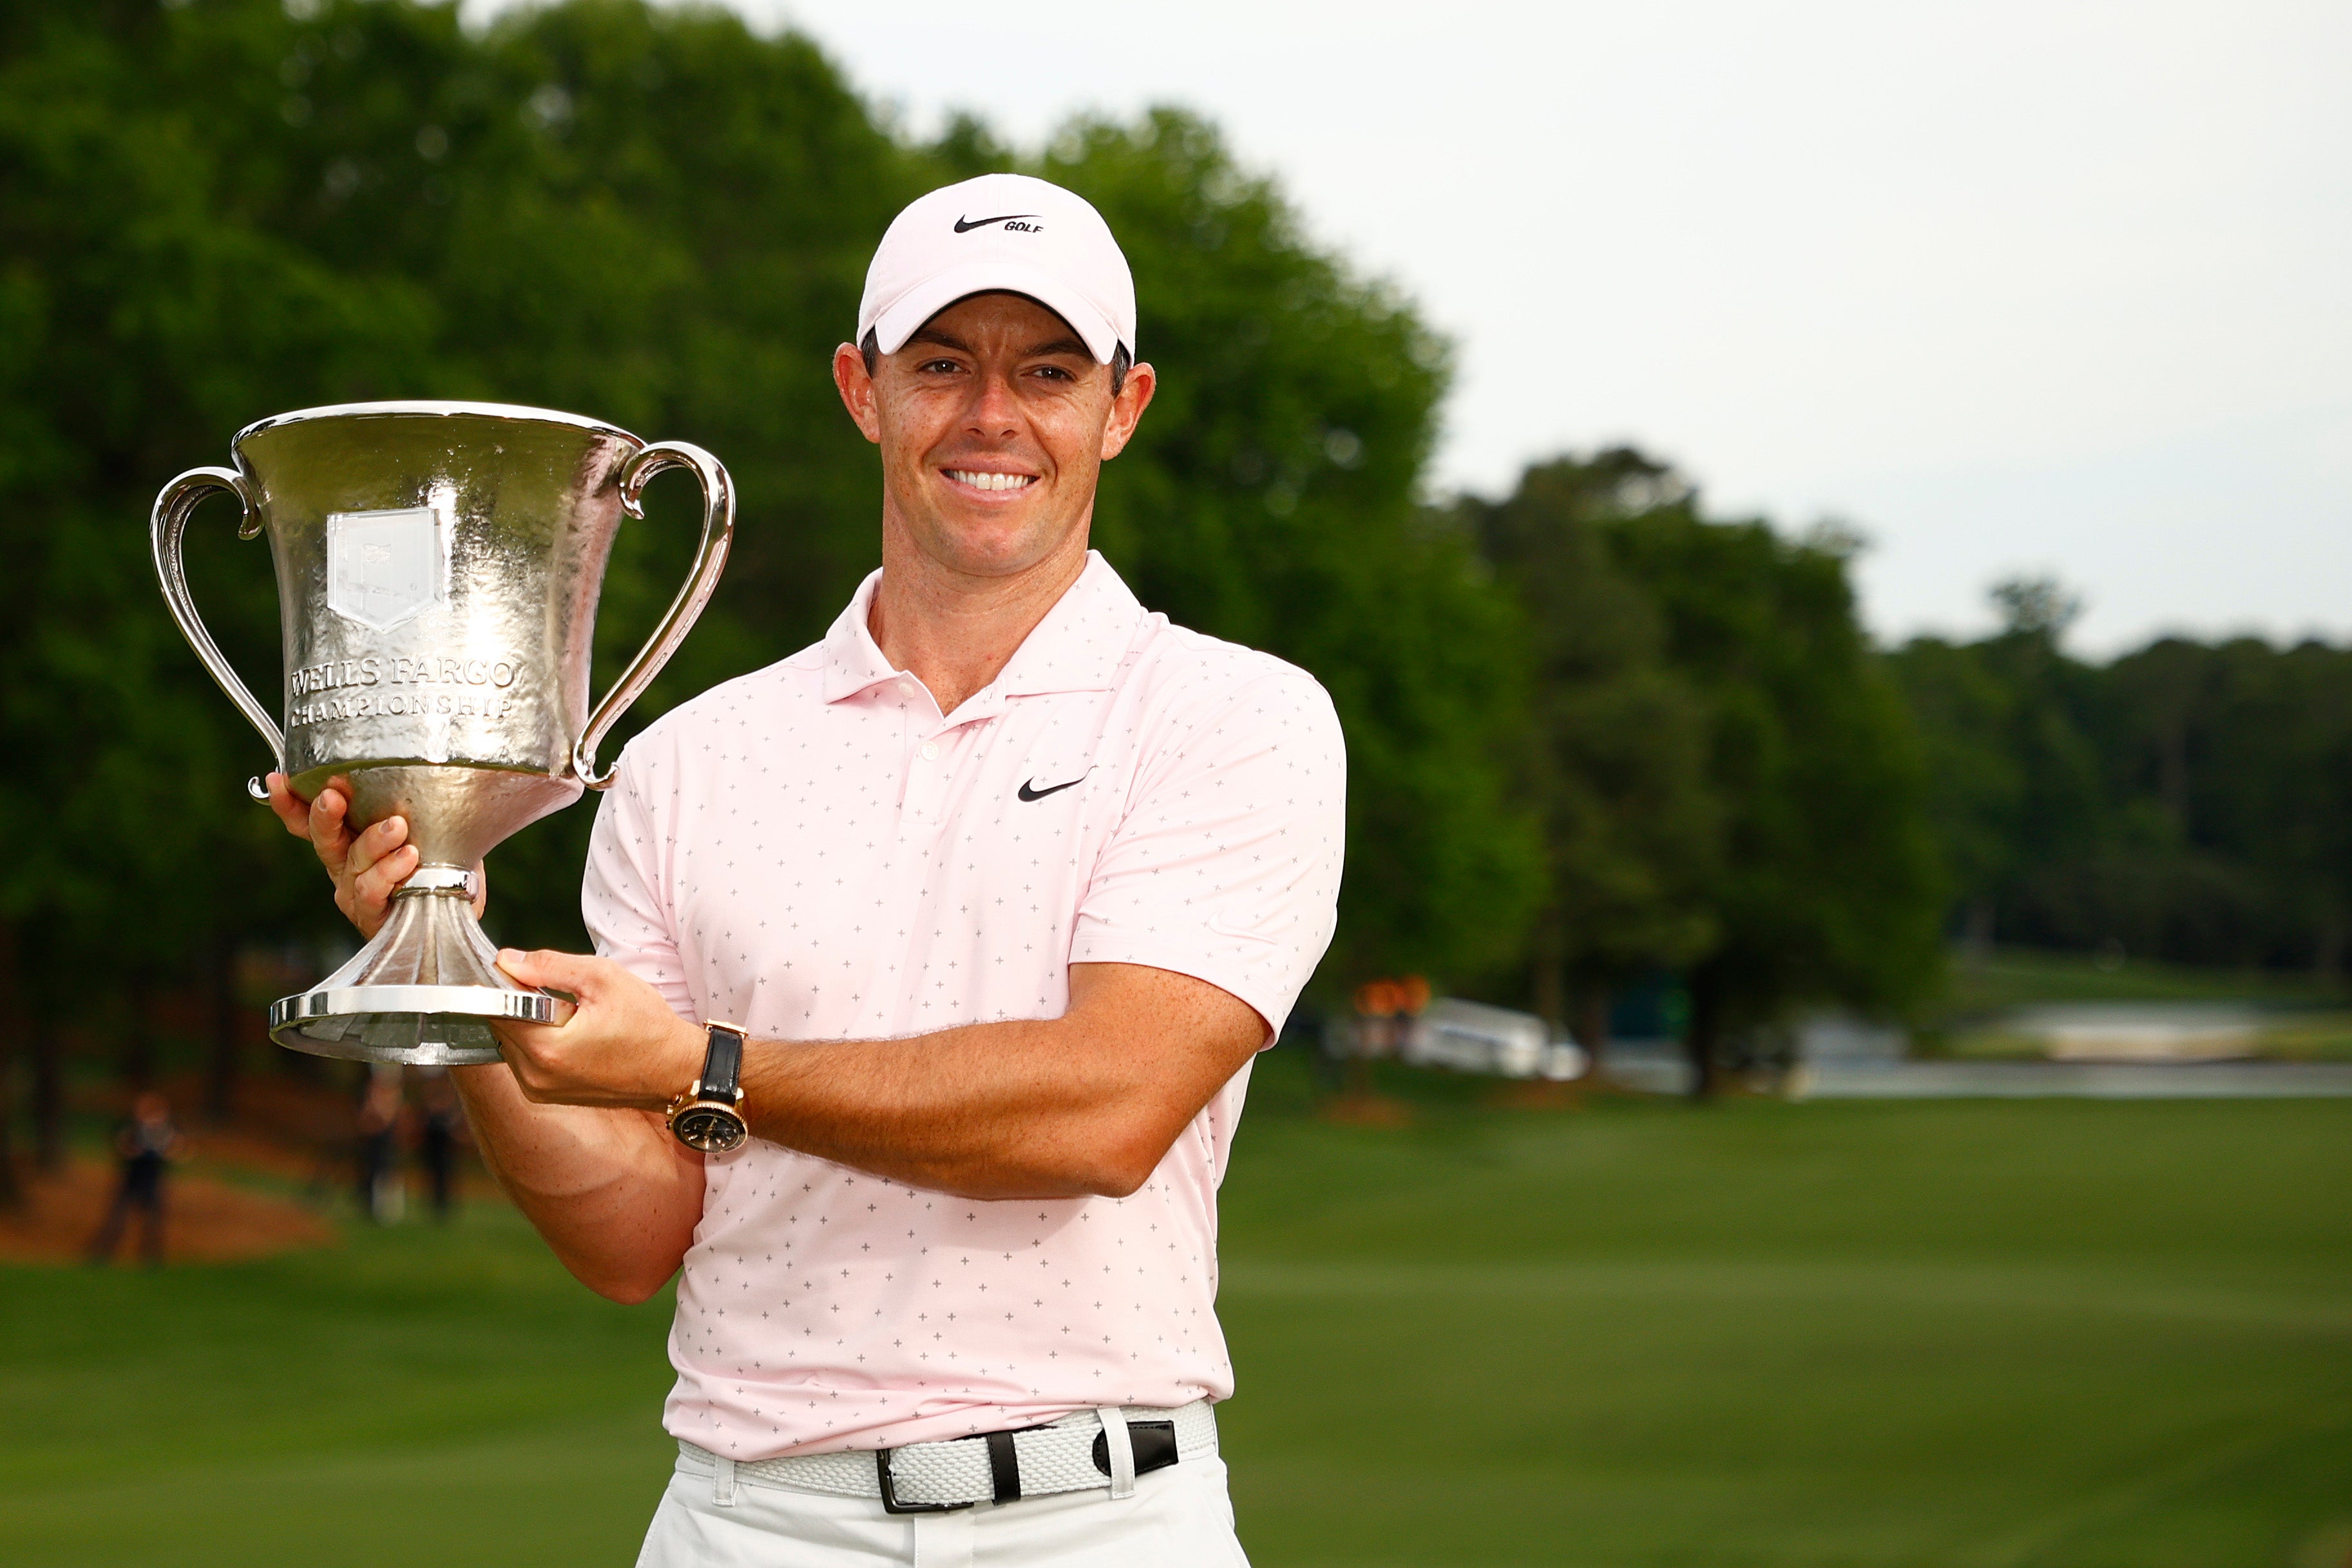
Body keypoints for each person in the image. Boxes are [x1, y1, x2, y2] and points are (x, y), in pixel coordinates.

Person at [266, 171, 1346, 1565]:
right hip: (747, 1518)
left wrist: (708, 1064)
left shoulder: (1230, 715)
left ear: (1122, 407)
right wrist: (458, 971)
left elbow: (1104, 1109)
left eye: (1049, 370)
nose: (992, 417)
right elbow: (633, 1232)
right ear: (861, 387)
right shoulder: (690, 759)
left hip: (1102, 1518)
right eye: (941, 363)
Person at [87, 1091, 181, 1267]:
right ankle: (101, 1254)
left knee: (152, 1223)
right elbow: (121, 1147)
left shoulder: (166, 1131)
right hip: (131, 1180)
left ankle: (151, 1258)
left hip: (152, 1181)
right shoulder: (130, 1129)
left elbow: (176, 1151)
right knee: (117, 1221)